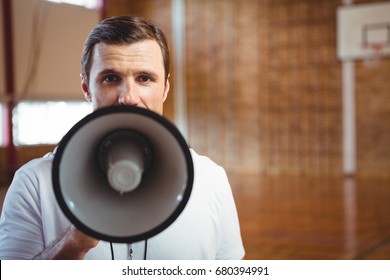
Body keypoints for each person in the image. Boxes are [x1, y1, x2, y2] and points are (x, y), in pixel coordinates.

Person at [0, 16, 245, 260]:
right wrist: (73, 243)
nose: (128, 97)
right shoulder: (33, 184)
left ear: (166, 88)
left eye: (144, 78)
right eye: (110, 78)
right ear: (86, 88)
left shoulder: (211, 178)